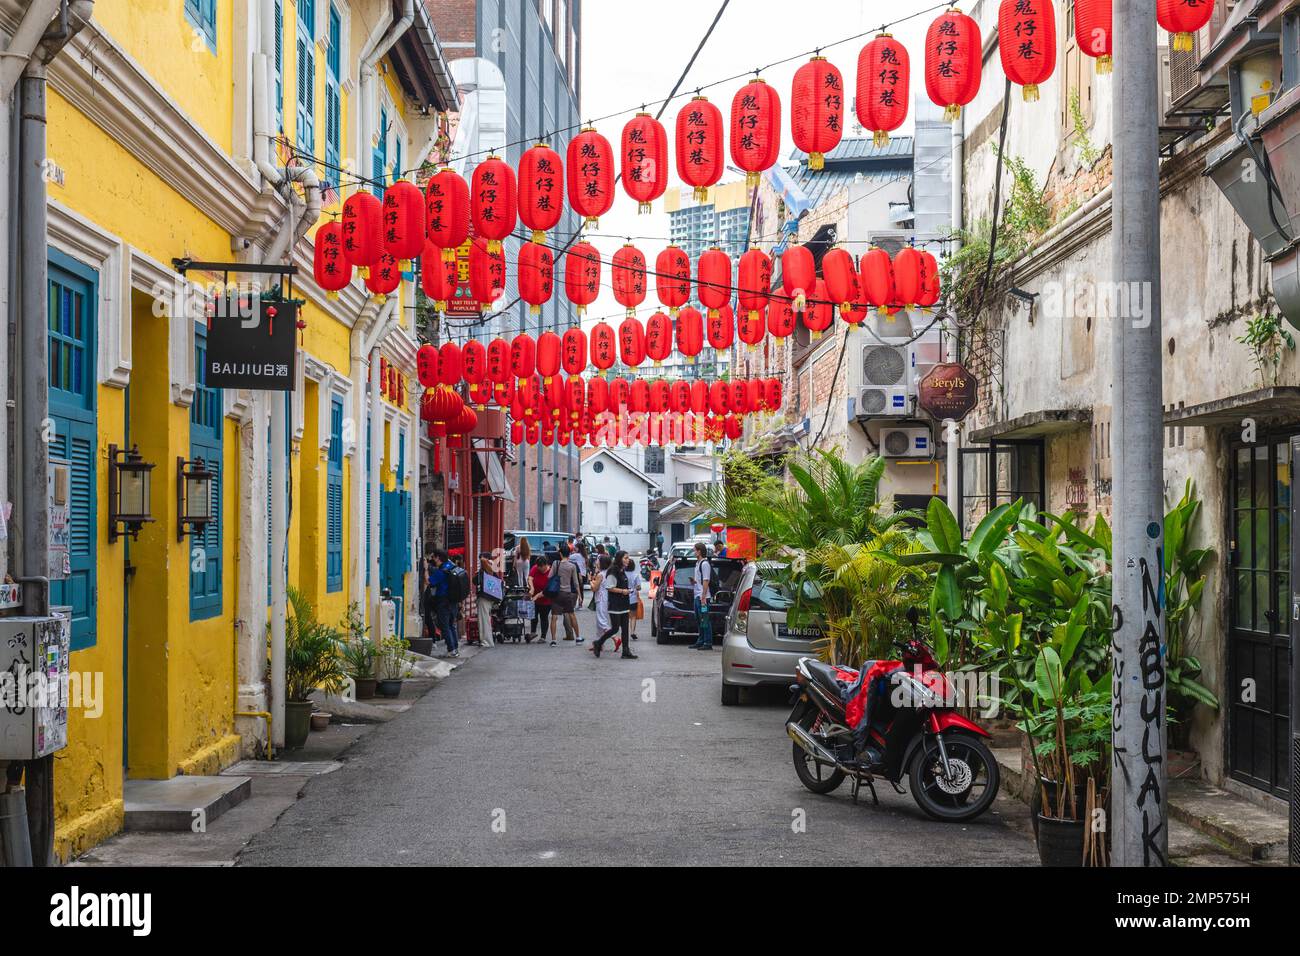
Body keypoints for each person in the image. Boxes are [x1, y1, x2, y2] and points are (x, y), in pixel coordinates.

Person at [592, 552, 635, 659]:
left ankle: (626, 651)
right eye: (626, 558)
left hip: (624, 603)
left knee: (625, 628)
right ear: (620, 559)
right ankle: (598, 643)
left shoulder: (622, 570)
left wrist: (628, 591)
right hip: (615, 604)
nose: (628, 560)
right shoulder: (613, 571)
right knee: (615, 628)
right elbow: (609, 587)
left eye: (628, 558)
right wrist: (622, 591)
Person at [424, 550, 460, 657]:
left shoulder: (442, 571)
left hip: (444, 601)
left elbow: (429, 582)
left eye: (434, 558)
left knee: (445, 626)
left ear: (438, 558)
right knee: (451, 625)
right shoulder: (451, 566)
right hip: (453, 601)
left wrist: (426, 569)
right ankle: (455, 648)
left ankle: (451, 650)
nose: (433, 560)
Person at [549, 542, 583, 643]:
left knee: (554, 617)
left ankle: (554, 640)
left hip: (557, 593)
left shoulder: (556, 563)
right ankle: (578, 637)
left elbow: (549, 576)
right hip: (567, 593)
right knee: (572, 615)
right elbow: (576, 583)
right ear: (569, 554)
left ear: (560, 554)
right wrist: (580, 596)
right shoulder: (572, 566)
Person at [689, 541, 713, 650]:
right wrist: (694, 581)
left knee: (705, 620)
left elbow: (706, 580)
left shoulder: (705, 564)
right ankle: (701, 640)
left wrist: (703, 596)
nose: (694, 552)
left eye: (694, 550)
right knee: (699, 620)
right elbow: (700, 580)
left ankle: (707, 642)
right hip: (697, 596)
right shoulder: (697, 563)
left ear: (699, 551)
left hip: (703, 597)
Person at [475, 548, 501, 648]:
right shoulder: (491, 569)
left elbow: (476, 581)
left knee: (484, 620)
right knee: (485, 619)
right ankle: (487, 640)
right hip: (488, 598)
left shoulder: (486, 569)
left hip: (484, 598)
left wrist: (484, 560)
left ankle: (486, 641)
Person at [528, 555, 553, 645]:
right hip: (535, 598)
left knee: (543, 617)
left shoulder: (551, 572)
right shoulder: (535, 568)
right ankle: (533, 632)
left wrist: (537, 596)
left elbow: (547, 589)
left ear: (546, 565)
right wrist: (532, 588)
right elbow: (530, 578)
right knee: (533, 616)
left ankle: (543, 636)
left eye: (542, 567)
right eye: (538, 567)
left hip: (546, 599)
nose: (540, 569)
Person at [624, 552, 643, 641]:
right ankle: (632, 632)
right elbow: (639, 587)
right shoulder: (635, 575)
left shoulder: (622, 574)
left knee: (624, 617)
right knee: (633, 616)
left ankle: (625, 632)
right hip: (633, 598)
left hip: (623, 597)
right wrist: (635, 588)